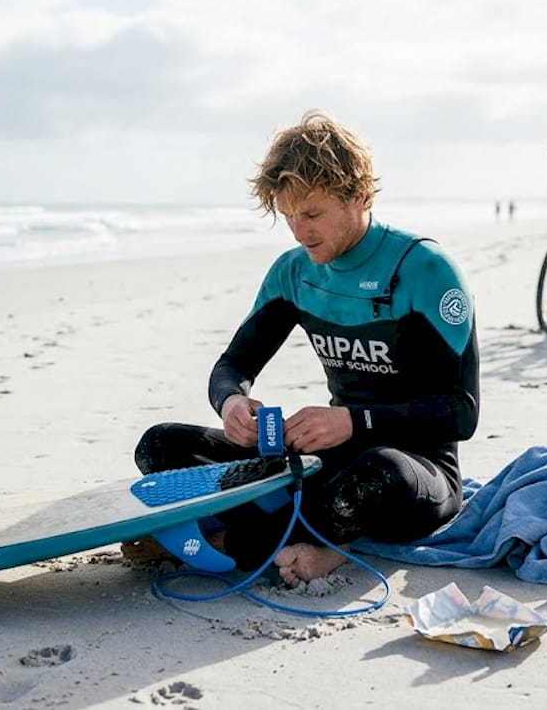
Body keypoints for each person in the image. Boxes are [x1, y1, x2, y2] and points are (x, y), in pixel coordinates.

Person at [127, 110, 480, 586]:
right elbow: (233, 365)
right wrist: (232, 402)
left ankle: (234, 544)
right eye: (288, 215)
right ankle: (318, 537)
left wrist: (353, 421)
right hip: (323, 462)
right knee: (160, 444)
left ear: (358, 195)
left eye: (312, 213)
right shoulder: (294, 273)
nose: (299, 231)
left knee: (377, 471)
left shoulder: (425, 270)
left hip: (411, 468)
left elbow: (461, 413)